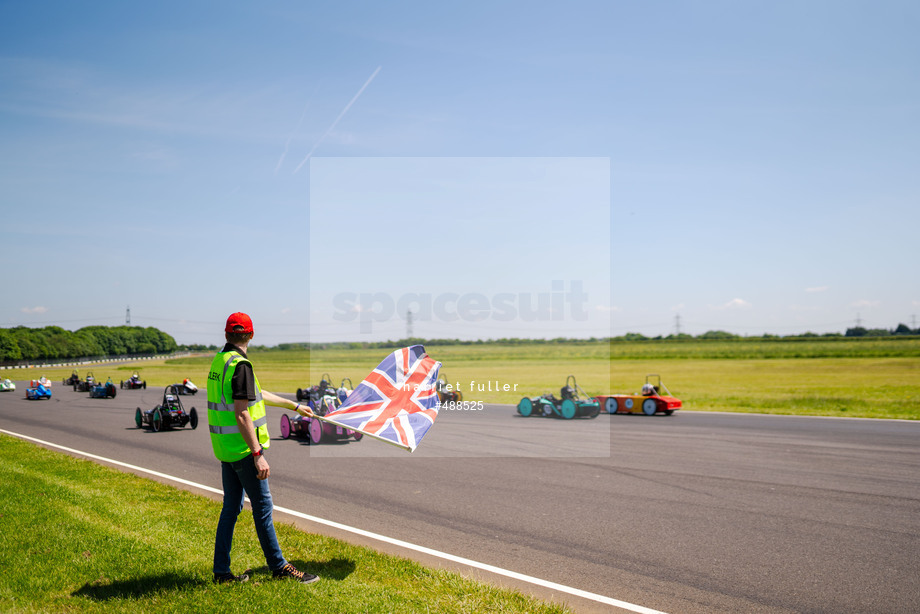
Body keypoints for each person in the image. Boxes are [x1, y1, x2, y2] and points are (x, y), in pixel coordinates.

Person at [207, 312, 319, 584]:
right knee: (263, 507)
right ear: (251, 335)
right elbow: (243, 413)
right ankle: (279, 566)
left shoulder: (221, 361)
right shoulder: (241, 365)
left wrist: (294, 406)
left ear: (226, 335)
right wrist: (258, 454)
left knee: (231, 509)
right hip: (244, 451)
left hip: (226, 449)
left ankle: (221, 572)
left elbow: (256, 393)